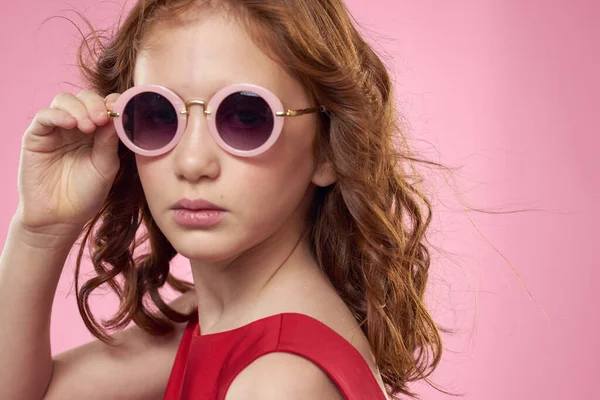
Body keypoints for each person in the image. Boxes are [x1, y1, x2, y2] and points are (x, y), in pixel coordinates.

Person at [0, 0, 446, 399]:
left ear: (329, 148)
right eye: (157, 114)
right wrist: (40, 230)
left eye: (246, 116)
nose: (192, 162)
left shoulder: (279, 382)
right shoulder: (208, 320)